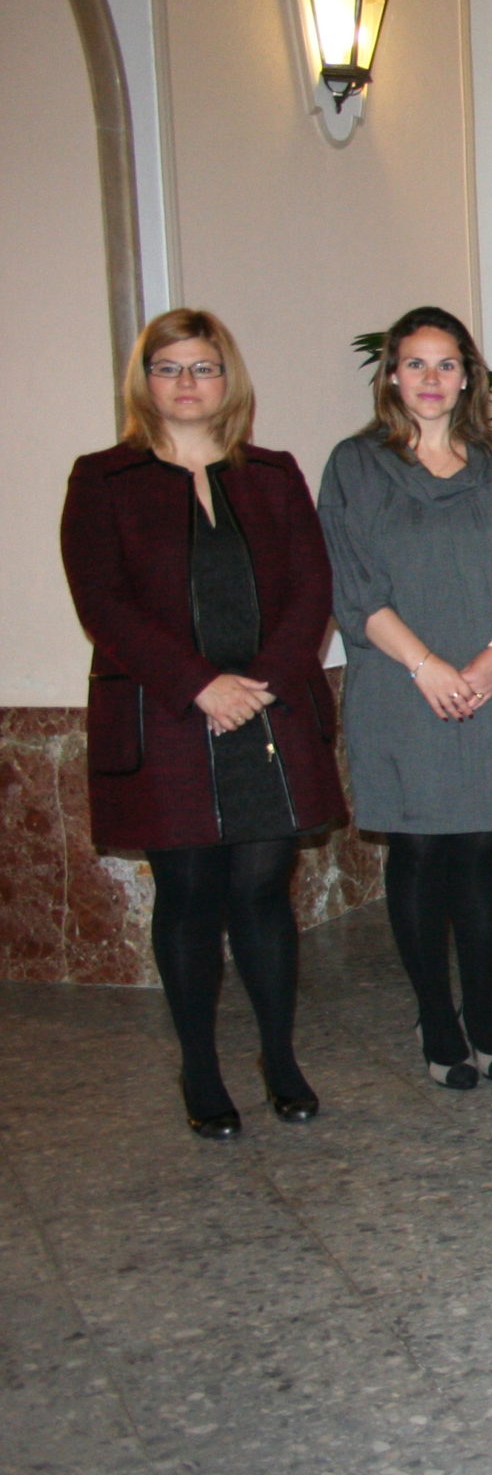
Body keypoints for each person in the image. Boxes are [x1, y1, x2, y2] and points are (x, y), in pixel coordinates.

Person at [61, 309, 345, 1136]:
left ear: (230, 380)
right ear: (144, 381)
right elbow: (102, 603)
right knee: (187, 894)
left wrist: (257, 681)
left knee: (262, 892)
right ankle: (200, 1066)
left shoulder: (273, 472)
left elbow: (311, 587)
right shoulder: (103, 479)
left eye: (204, 367)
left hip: (267, 712)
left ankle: (280, 1058)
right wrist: (200, 685)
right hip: (167, 722)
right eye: (170, 368)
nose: (188, 383)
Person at [319, 308, 492, 1091]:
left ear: (467, 376)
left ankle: (481, 1012)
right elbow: (353, 587)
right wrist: (428, 667)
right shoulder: (355, 465)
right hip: (399, 686)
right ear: (391, 374)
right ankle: (436, 1016)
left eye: (445, 365)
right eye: (414, 364)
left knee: (483, 851)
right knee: (418, 850)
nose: (430, 379)